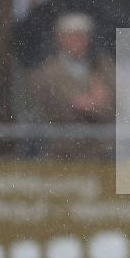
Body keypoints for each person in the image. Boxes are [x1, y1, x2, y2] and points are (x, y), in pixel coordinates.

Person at [28, 13, 115, 158]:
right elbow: (59, 109)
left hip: (100, 153)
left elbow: (113, 105)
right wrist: (92, 103)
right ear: (60, 39)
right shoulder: (47, 72)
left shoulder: (102, 66)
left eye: (82, 36)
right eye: (73, 36)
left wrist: (92, 104)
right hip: (64, 153)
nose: (79, 41)